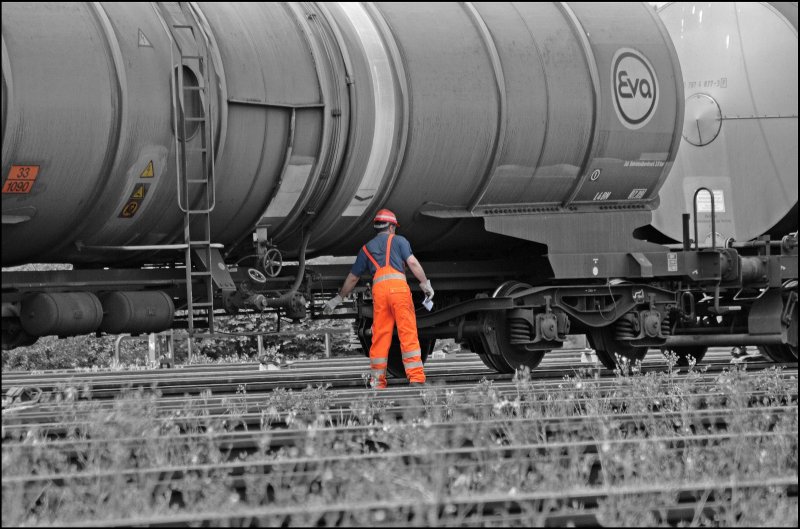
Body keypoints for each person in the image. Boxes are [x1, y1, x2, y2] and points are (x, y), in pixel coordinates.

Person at [324, 208, 434, 389]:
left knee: (381, 336)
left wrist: (338, 298)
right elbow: (413, 263)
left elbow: (353, 278)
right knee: (407, 333)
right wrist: (424, 284)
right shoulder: (399, 241)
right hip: (399, 290)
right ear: (391, 227)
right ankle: (416, 379)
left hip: (380, 293)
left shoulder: (366, 249)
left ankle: (377, 382)